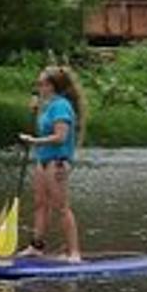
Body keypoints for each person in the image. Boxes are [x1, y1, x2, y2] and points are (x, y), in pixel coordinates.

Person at [18, 63, 85, 261]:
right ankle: (36, 247)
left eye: (41, 84)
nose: (38, 88)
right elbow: (44, 129)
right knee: (40, 204)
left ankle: (74, 253)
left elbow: (60, 137)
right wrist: (36, 111)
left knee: (61, 207)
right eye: (38, 84)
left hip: (58, 162)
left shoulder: (62, 105)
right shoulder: (48, 106)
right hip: (43, 160)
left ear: (52, 86)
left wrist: (33, 141)